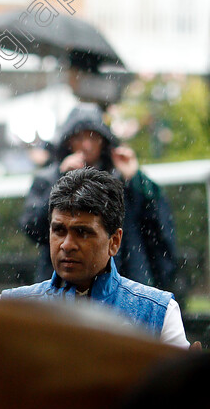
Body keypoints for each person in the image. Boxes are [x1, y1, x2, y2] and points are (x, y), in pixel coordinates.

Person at [2, 167, 192, 349]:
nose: (67, 245)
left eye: (82, 232)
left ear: (114, 241)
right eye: (58, 230)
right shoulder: (10, 309)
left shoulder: (157, 312)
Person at [19, 104, 179, 290]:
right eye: (79, 137)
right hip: (65, 283)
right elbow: (33, 228)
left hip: (124, 281)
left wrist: (135, 180)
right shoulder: (49, 177)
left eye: (92, 136)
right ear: (68, 141)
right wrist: (61, 180)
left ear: (104, 140)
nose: (86, 144)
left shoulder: (122, 175)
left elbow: (157, 224)